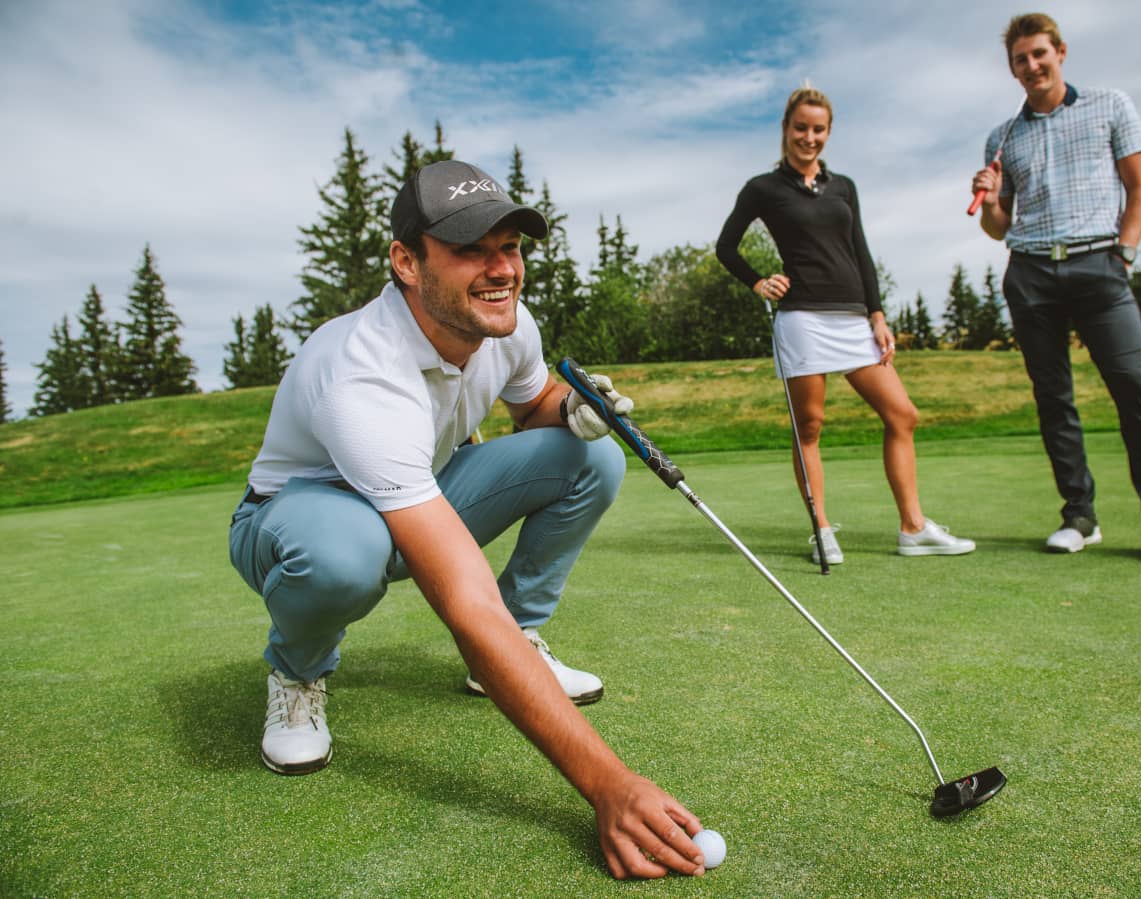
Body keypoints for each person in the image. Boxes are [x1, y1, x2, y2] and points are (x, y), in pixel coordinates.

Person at [228, 159, 709, 879]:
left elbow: (533, 399)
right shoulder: (362, 371)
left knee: (592, 459)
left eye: (510, 246)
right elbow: (465, 604)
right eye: (469, 248)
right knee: (346, 555)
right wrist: (607, 782)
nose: (500, 269)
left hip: (418, 484)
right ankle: (296, 675)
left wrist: (572, 411)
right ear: (406, 262)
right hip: (298, 516)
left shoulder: (503, 321)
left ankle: (524, 641)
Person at [969, 13, 1141, 566]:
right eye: (1020, 60)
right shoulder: (1003, 137)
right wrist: (991, 198)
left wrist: (1125, 251)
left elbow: (1139, 189)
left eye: (1039, 54)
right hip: (1030, 272)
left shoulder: (1110, 105)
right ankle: (1079, 515)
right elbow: (997, 226)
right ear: (1012, 69)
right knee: (1054, 399)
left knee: (1133, 389)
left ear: (1060, 52)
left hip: (1100, 266)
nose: (1031, 66)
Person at [716, 84, 975, 565]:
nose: (808, 137)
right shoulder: (763, 189)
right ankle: (821, 529)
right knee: (809, 426)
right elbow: (725, 247)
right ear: (786, 129)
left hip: (854, 319)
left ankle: (913, 528)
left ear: (828, 133)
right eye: (800, 128)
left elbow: (861, 251)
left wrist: (877, 315)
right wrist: (757, 282)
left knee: (903, 414)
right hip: (801, 320)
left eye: (818, 129)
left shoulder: (844, 187)